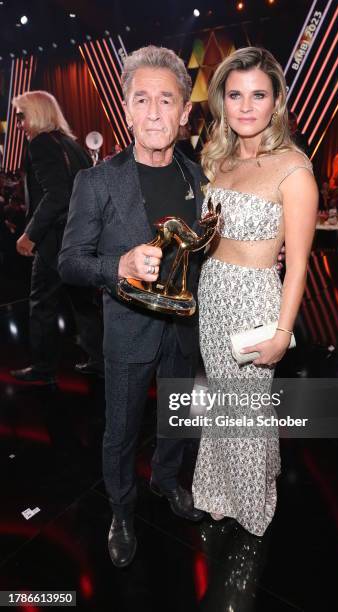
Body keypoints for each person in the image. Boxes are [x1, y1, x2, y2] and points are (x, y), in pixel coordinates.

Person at [59, 46, 206, 568]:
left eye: (166, 100)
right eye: (141, 99)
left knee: (178, 416)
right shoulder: (96, 181)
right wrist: (117, 265)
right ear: (125, 108)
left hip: (185, 331)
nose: (153, 112)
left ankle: (168, 482)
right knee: (120, 428)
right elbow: (70, 262)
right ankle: (122, 509)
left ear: (185, 112)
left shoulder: (201, 181)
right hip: (127, 330)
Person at [192, 47, 318, 536]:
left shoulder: (294, 168)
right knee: (223, 401)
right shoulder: (218, 161)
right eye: (235, 94)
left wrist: (283, 331)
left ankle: (251, 502)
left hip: (254, 301)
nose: (246, 106)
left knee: (246, 407)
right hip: (213, 293)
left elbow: (300, 263)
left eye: (258, 94)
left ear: (276, 102)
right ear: (222, 101)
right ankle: (218, 490)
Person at [10, 91, 103, 384]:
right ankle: (100, 360)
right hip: (80, 240)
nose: (19, 123)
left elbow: (56, 195)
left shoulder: (41, 144)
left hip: (53, 242)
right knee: (84, 304)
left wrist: (29, 234)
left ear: (36, 113)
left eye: (21, 116)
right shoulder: (71, 144)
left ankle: (42, 369)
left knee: (42, 305)